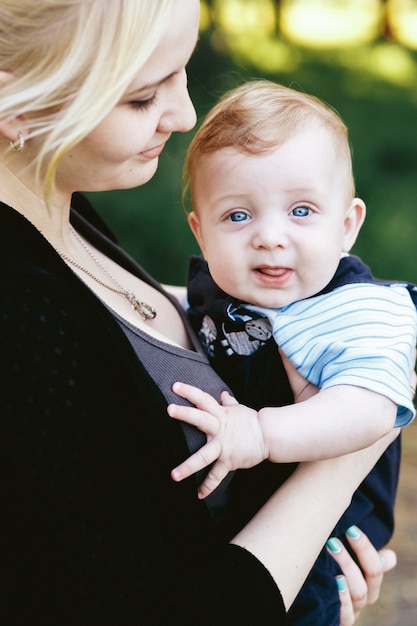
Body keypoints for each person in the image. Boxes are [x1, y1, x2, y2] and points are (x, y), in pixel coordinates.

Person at [0, 3, 398, 624]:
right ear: (17, 106)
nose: (186, 115)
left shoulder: (60, 205)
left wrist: (312, 552)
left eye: (181, 71)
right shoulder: (23, 323)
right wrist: (343, 467)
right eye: (141, 98)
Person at [167, 80, 417, 625]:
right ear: (200, 232)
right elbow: (183, 309)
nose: (270, 236)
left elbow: (370, 409)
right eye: (238, 216)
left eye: (302, 211)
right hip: (241, 515)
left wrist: (261, 432)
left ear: (347, 225)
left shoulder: (356, 309)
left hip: (323, 534)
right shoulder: (225, 286)